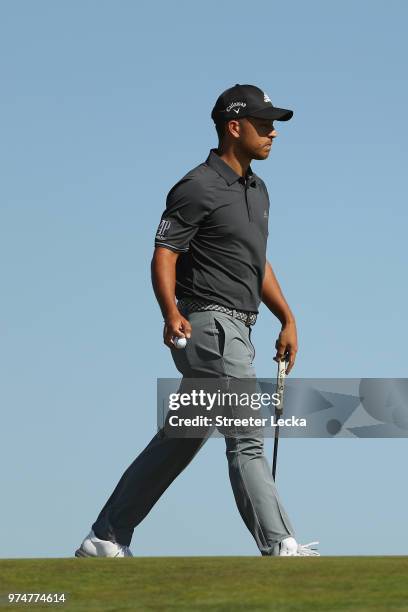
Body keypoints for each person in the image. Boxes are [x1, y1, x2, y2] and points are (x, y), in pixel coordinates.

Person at [75, 83, 319, 558]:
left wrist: (286, 316)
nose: (273, 133)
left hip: (241, 329)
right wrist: (170, 312)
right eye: (264, 124)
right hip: (208, 327)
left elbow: (256, 261)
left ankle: (106, 536)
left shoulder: (258, 190)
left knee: (179, 438)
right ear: (235, 126)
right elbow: (165, 253)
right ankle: (280, 545)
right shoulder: (197, 186)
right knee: (247, 437)